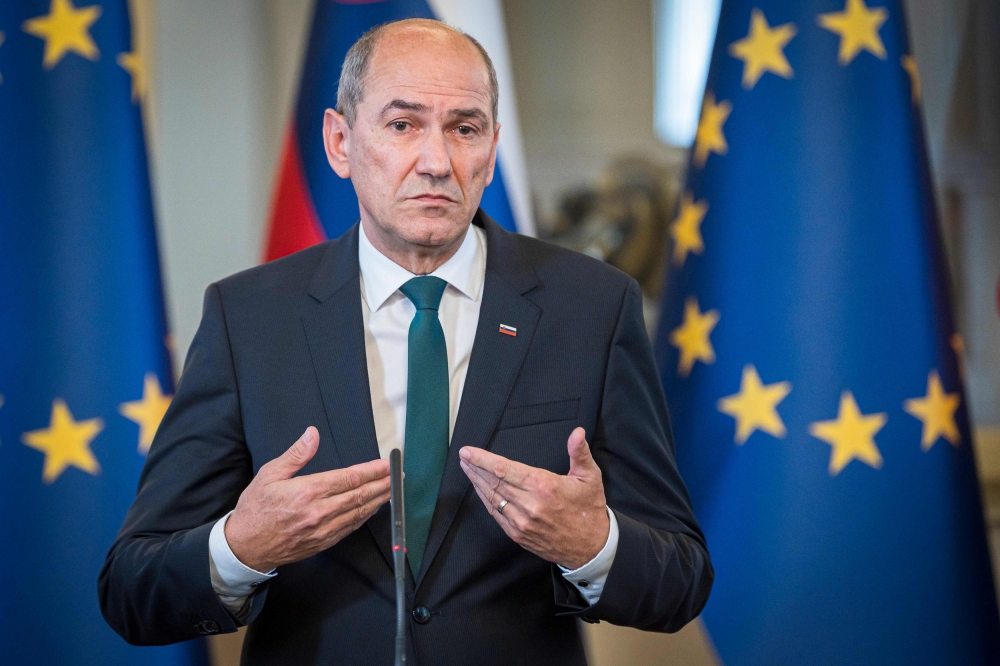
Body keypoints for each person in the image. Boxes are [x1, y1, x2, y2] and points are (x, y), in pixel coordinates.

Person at [99, 18, 712, 665]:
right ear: (339, 141)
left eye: (465, 128)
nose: (436, 162)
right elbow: (133, 591)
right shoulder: (248, 315)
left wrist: (593, 544)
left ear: (493, 146)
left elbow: (679, 581)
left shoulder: (593, 307)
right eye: (402, 124)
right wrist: (242, 545)